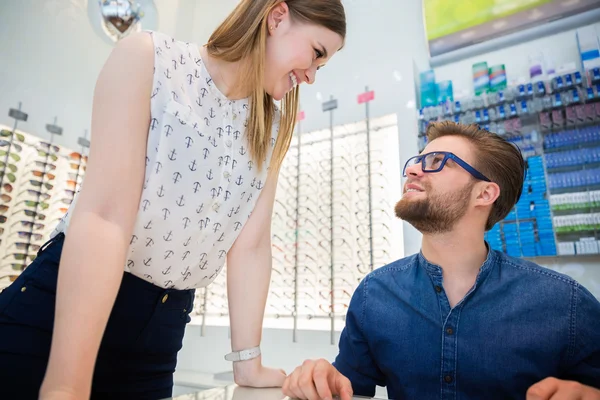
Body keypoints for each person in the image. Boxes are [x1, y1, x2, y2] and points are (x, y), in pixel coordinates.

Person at [0, 1, 345, 398]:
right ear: (277, 16)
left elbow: (250, 247)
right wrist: (66, 384)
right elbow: (106, 218)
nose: (313, 76)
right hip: (59, 321)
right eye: (317, 54)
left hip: (159, 336)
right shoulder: (150, 59)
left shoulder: (272, 126)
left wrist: (247, 362)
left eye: (323, 67)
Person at [282, 121, 600, 400]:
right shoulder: (374, 294)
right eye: (417, 160)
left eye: (437, 161)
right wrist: (320, 380)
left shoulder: (566, 304)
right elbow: (349, 387)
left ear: (484, 194)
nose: (412, 169)